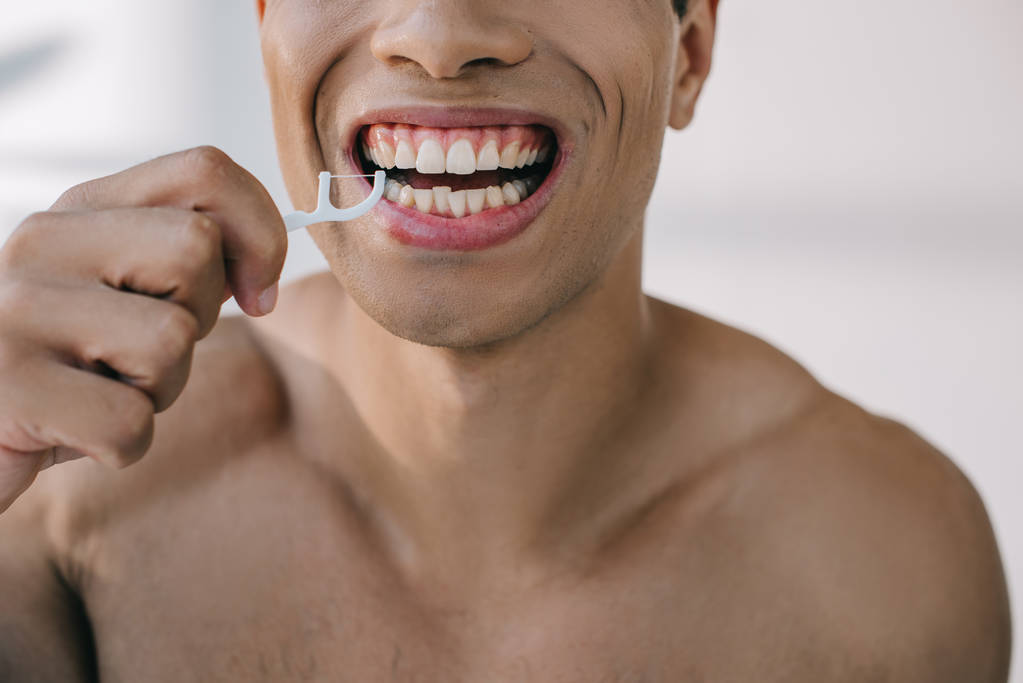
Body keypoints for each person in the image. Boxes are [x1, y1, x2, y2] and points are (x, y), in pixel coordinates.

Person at [0, 0, 1012, 679]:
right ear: (265, 19)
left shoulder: (891, 565)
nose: (440, 36)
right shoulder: (62, 492)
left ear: (690, 50)